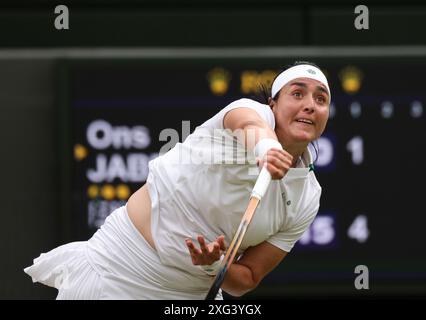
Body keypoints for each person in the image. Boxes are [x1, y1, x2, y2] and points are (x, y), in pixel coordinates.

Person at [24, 61, 331, 300]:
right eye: (297, 93)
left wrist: (215, 265)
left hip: (191, 295)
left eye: (321, 99)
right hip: (117, 271)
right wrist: (267, 149)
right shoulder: (249, 112)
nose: (309, 104)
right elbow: (250, 126)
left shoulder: (307, 197)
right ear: (272, 104)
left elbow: (248, 278)